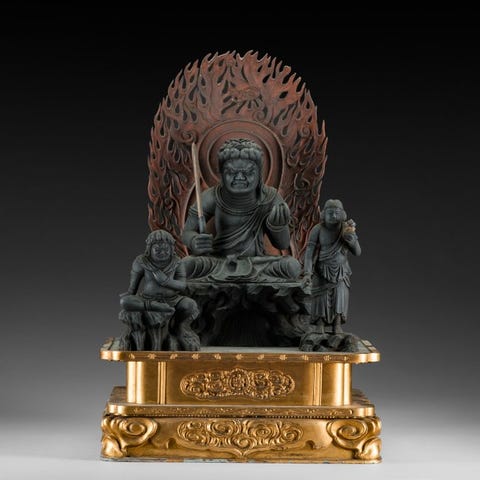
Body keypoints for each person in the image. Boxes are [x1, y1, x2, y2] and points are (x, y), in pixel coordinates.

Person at [181, 138, 300, 282]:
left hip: (257, 262)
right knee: (186, 265)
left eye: (248, 172)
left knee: (291, 266)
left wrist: (277, 227)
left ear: (259, 174)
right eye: (231, 172)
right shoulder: (212, 196)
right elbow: (187, 232)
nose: (239, 177)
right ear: (221, 174)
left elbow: (282, 244)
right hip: (219, 260)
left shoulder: (270, 197)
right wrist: (193, 240)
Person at [120, 229, 200, 351]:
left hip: (172, 299)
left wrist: (166, 281)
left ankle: (179, 326)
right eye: (157, 250)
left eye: (166, 249)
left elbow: (182, 285)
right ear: (149, 249)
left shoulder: (177, 262)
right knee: (125, 302)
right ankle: (154, 306)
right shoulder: (142, 261)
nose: (162, 253)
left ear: (172, 249)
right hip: (148, 299)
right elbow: (133, 286)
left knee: (190, 305)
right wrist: (130, 293)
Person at [303, 199, 361, 334]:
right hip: (322, 269)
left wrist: (352, 241)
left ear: (342, 214)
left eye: (337, 213)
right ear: (324, 214)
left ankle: (337, 324)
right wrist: (307, 273)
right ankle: (320, 325)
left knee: (339, 297)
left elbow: (357, 252)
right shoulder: (318, 229)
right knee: (320, 298)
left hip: (341, 270)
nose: (333, 216)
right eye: (330, 213)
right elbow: (309, 253)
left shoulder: (346, 229)